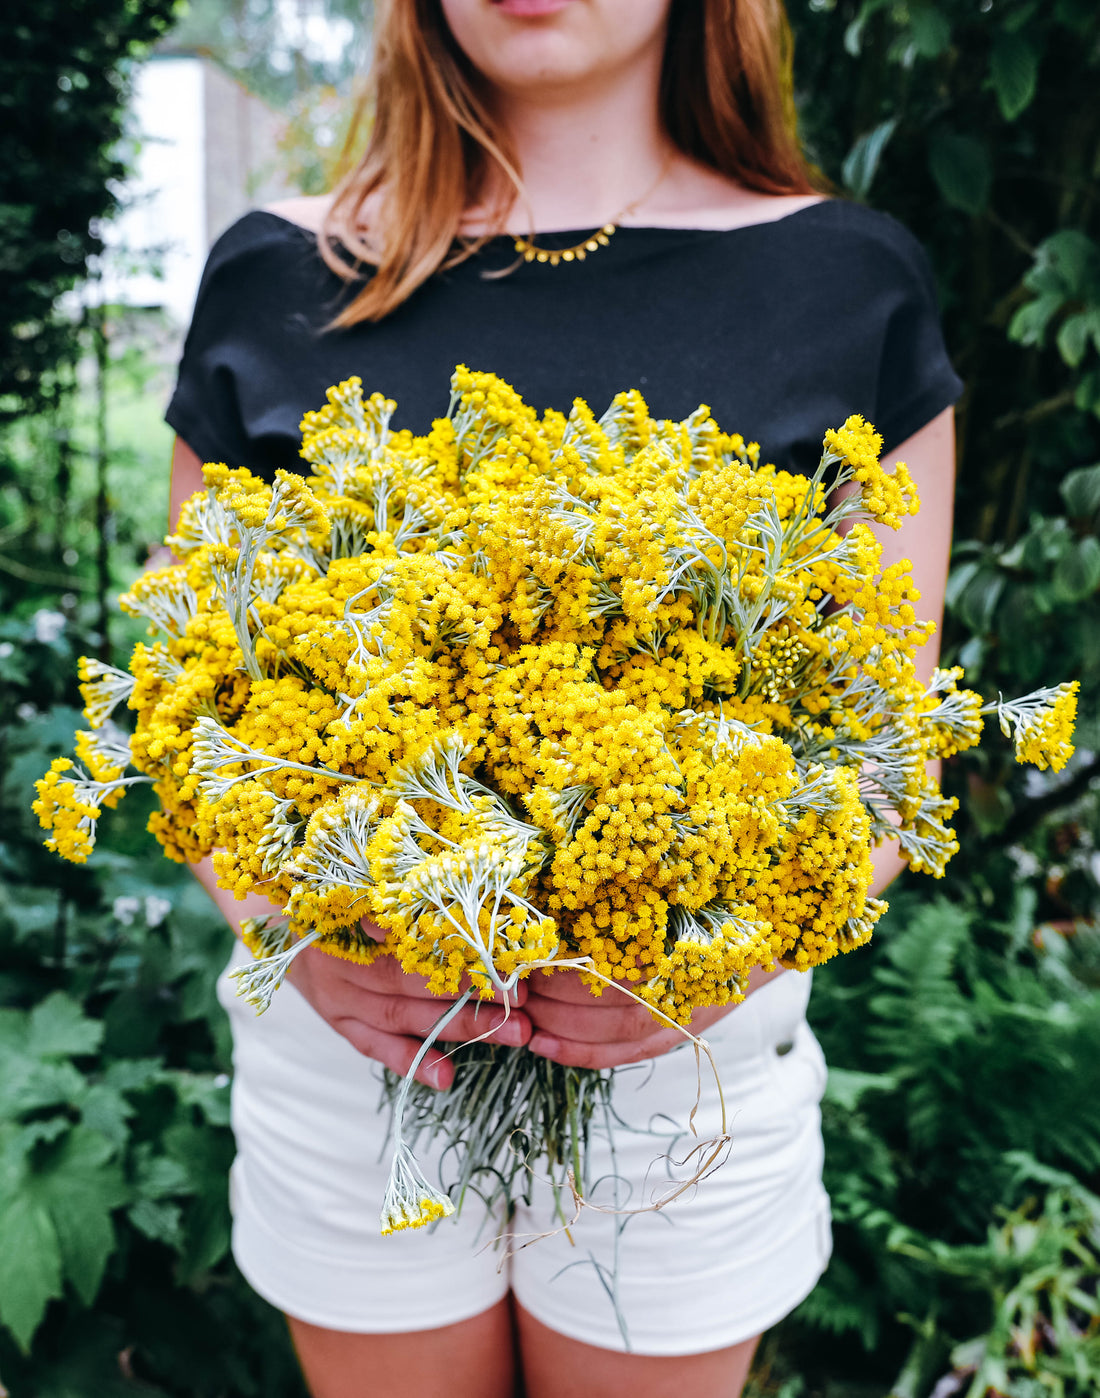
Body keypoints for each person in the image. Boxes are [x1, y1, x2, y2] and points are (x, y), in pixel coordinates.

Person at [164, 1, 962, 1394]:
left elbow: (892, 752)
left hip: (683, 1064)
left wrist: (711, 960)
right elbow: (187, 717)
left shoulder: (850, 281)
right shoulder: (277, 276)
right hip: (357, 1047)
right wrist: (304, 937)